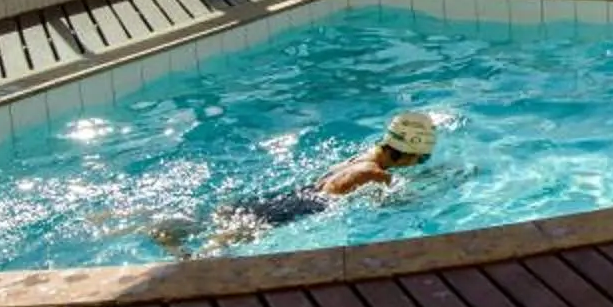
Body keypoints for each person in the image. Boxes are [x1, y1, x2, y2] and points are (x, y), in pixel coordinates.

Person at [133, 110, 443, 254]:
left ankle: (161, 231)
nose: (418, 164)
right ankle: (192, 260)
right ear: (407, 152)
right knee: (230, 238)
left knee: (215, 220)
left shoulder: (364, 157)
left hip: (292, 193)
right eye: (421, 158)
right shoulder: (376, 174)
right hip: (304, 206)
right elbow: (389, 205)